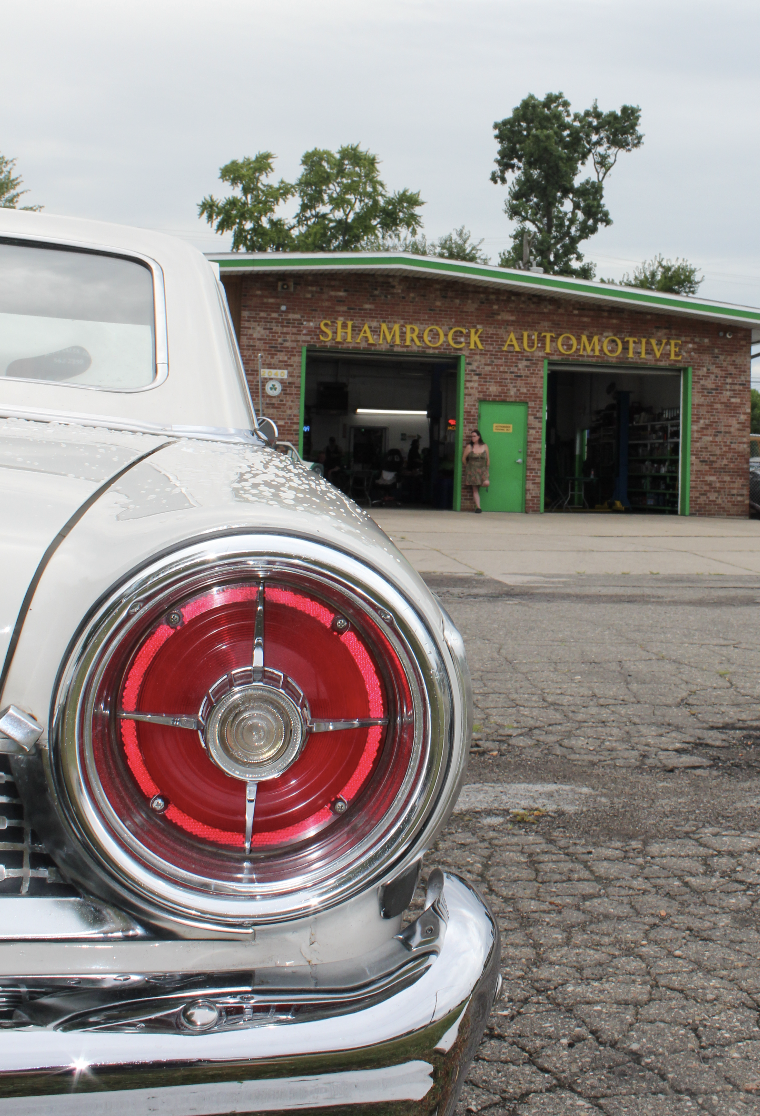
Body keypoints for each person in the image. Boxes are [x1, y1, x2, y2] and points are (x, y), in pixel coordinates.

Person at [462, 429, 490, 512]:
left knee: (486, 483)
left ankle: (479, 483)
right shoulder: (469, 447)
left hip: (482, 469)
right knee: (475, 489)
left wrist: (487, 470)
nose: (472, 438)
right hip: (472, 470)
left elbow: (488, 459)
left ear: (479, 436)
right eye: (471, 436)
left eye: (474, 436)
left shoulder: (485, 446)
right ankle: (478, 507)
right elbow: (463, 458)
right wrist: (467, 466)